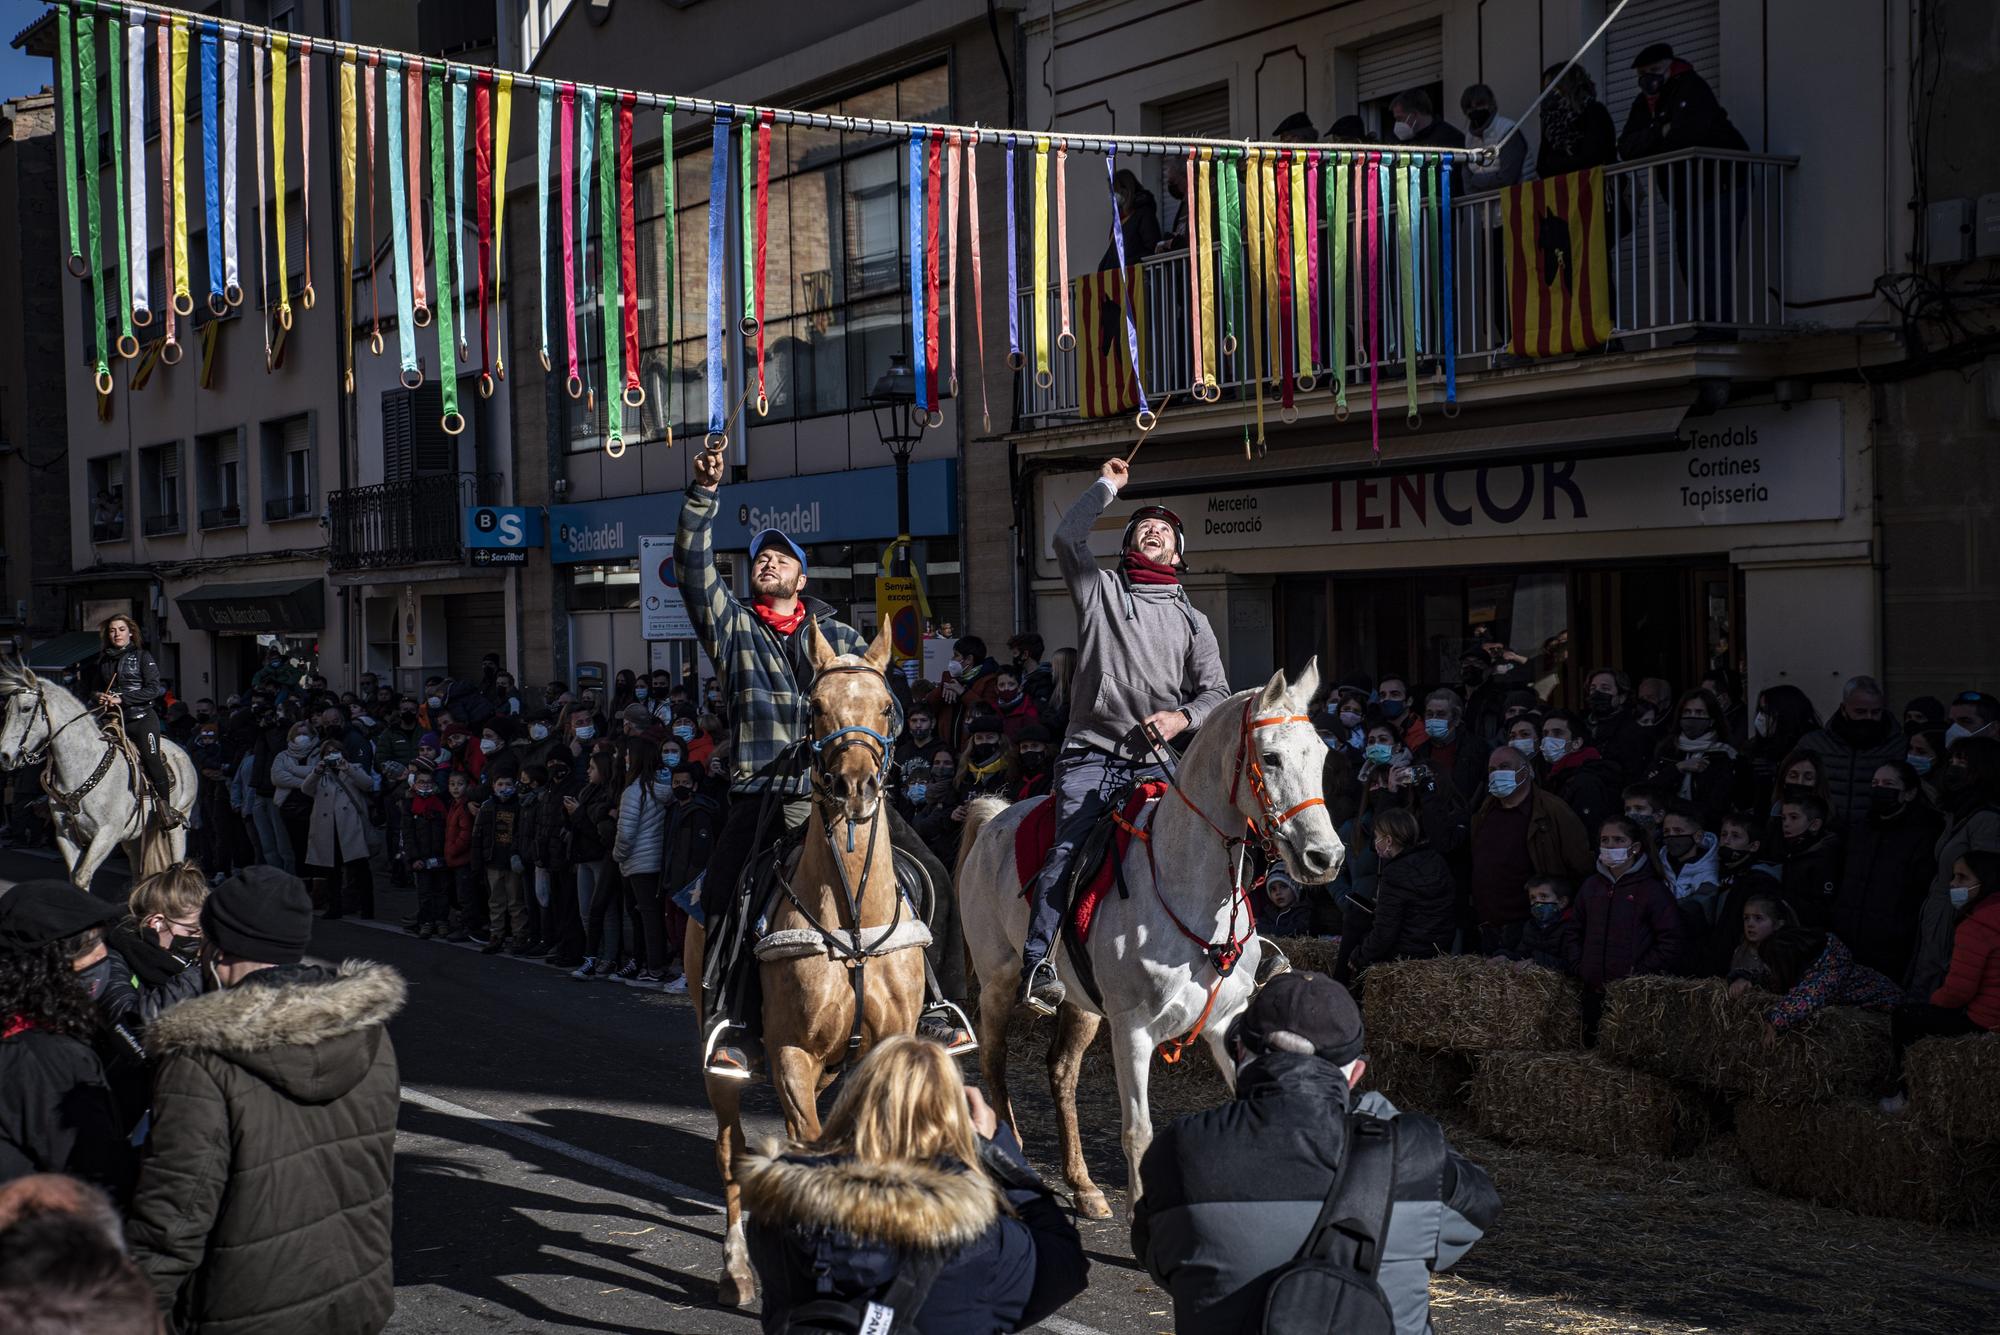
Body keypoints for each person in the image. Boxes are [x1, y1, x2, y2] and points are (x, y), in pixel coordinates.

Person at [676, 447, 961, 1075]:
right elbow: (694, 572)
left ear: (802, 578)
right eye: (759, 558)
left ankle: (944, 1007)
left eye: (781, 557)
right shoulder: (734, 630)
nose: (767, 562)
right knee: (725, 894)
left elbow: (876, 701)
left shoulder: (847, 641)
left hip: (851, 793)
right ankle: (731, 1023)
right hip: (768, 793)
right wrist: (702, 496)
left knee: (934, 874)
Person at [1132, 970, 1498, 1335]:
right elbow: (1478, 1208)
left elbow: (1157, 1258)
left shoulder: (1182, 1148)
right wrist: (1380, 1117)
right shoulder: (1413, 1154)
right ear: (1355, 1074)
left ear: (1240, 1050)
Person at [123, 868, 400, 1334]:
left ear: (218, 947)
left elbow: (175, 1216)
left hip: (243, 1306)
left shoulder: (201, 1058)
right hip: (356, 1290)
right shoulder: (368, 1030)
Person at [1021, 458, 1234, 1014]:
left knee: (1219, 833)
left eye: (1166, 527)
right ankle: (1039, 960)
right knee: (1069, 846)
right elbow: (1067, 536)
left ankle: (1244, 945)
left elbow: (1216, 694)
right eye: (1144, 525)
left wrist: (1181, 719)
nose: (1155, 528)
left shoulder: (1194, 621)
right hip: (1093, 754)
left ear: (1178, 553)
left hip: (1159, 758)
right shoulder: (1100, 591)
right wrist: (1106, 488)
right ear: (1130, 545)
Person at [742, 1035, 1087, 1334]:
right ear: (953, 1123)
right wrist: (1000, 1153)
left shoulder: (777, 1213)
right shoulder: (982, 1239)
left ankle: (734, 1030)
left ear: (854, 1102)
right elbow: (1067, 1266)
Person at [0, 883, 135, 1200]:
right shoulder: (51, 1060)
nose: (103, 955)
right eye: (87, 946)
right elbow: (97, 1174)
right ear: (45, 966)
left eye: (102, 940)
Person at [1615, 41, 1748, 325]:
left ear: (1669, 66)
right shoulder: (1644, 103)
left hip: (1719, 183)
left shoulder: (1691, 87)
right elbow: (1626, 146)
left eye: (1653, 70)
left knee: (1713, 257)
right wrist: (1659, 131)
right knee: (1690, 261)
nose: (1647, 78)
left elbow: (1687, 134)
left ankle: (1719, 325)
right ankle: (1705, 322)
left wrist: (1657, 136)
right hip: (1685, 193)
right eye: (1642, 73)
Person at [1881, 850, 1999, 1113]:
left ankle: (1906, 1093)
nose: (1953, 884)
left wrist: (1933, 1002)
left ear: (1986, 881)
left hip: (1983, 1021)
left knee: (1907, 1016)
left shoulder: (1977, 925)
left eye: (1962, 878)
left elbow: (1959, 991)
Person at [1468, 745, 1593, 955]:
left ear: (1525, 771)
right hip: (1488, 923)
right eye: (1492, 769)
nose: (1497, 773)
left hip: (1531, 926)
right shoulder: (1485, 810)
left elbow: (1580, 864)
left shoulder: (1553, 811)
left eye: (1504, 766)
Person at [1829, 762, 1945, 980]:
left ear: (1909, 793)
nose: (1879, 788)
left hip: (1891, 943)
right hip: (1847, 934)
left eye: (1888, 784)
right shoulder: (1861, 828)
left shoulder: (1924, 834)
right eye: (1875, 783)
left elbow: (1918, 888)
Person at [1907, 736, 2000, 1001]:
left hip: (1957, 918)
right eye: (1952, 761)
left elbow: (1986, 878)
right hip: (1938, 912)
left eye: (1963, 762)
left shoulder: (1987, 821)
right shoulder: (1956, 814)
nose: (1954, 767)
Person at [1727, 903, 1901, 1035]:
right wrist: (1746, 977)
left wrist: (1773, 1022)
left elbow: (1806, 999)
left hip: (1889, 1010)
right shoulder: (1812, 962)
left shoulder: (1829, 972)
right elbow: (1771, 977)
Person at [1573, 815, 1684, 993]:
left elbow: (1671, 939)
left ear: (1635, 847)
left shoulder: (1652, 890)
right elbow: (1574, 930)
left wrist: (1639, 972)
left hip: (1632, 993)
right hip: (1590, 986)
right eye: (1604, 840)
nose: (1610, 845)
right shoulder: (1590, 887)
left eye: (1618, 840)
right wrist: (1581, 967)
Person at [93, 615, 181, 827]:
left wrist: (122, 698)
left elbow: (153, 689)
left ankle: (165, 809)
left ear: (130, 632)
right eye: (113, 630)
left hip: (141, 718)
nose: (117, 634)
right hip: (112, 718)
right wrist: (99, 696)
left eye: (121, 629)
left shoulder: (143, 656)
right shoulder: (103, 660)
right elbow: (92, 687)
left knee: (151, 758)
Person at [1347, 808, 1456, 976]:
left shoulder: (1394, 873)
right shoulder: (1436, 859)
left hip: (1407, 954)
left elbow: (1384, 933)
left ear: (1388, 841)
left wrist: (1358, 957)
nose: (1375, 843)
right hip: (1440, 949)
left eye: (1377, 837)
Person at [1798, 676, 1909, 830]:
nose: (1869, 718)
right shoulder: (1814, 744)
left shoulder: (1898, 745)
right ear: (1844, 709)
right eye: (1860, 712)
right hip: (1824, 833)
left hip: (1875, 834)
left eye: (1876, 712)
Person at [290, 730, 377, 921]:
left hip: (349, 826)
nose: (332, 755)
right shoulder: (320, 773)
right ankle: (334, 906)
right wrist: (317, 771)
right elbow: (306, 789)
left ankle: (367, 907)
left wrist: (347, 768)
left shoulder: (353, 767)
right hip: (328, 827)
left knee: (360, 868)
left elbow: (368, 784)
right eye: (328, 753)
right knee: (331, 870)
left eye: (335, 752)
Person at [612, 738, 675, 989]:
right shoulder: (662, 790)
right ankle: (653, 964)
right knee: (654, 916)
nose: (625, 759)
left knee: (645, 917)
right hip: (657, 860)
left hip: (637, 861)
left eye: (628, 755)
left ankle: (653, 967)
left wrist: (617, 855)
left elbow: (626, 833)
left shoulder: (634, 791)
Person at [1644, 688, 1739, 825]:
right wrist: (1678, 768)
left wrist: (1671, 803)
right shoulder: (1667, 749)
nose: (1692, 717)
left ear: (1711, 719)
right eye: (1687, 712)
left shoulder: (1724, 755)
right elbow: (1647, 790)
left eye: (1699, 713)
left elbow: (1715, 807)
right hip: (1665, 827)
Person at [1540, 708, 1620, 838]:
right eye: (1545, 734)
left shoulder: (1586, 781)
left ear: (1576, 743)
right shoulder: (1557, 777)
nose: (1548, 740)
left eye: (1557, 733)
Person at [1535, 62, 1617, 179]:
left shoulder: (1594, 111)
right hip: (1568, 191)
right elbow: (1542, 167)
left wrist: (1558, 163)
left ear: (1566, 86)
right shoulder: (1552, 122)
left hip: (1598, 187)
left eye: (1551, 88)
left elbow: (1591, 157)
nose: (1547, 94)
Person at [1777, 795, 1842, 928]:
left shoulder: (1825, 857)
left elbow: (1822, 909)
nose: (1786, 823)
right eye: (1783, 818)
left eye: (1794, 817)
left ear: (1815, 825)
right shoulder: (1791, 850)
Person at [1582, 667, 1650, 786]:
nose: (1597, 693)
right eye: (1593, 689)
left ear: (1622, 697)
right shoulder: (1581, 725)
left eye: (1605, 688)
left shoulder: (1632, 731)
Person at [1414, 690, 1486, 801]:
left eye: (1441, 714)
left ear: (1456, 719)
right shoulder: (1420, 753)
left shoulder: (1477, 749)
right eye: (1429, 714)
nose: (1434, 719)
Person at [1499, 874, 1579, 972]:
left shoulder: (1571, 927)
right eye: (1532, 898)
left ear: (1562, 902)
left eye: (1543, 896)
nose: (1537, 902)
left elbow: (1571, 965)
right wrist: (1505, 957)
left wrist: (1537, 961)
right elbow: (1522, 955)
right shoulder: (1531, 926)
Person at [1459, 83, 1527, 190]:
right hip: (1484, 205)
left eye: (1480, 104)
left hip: (1518, 200)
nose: (1475, 110)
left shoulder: (1507, 130)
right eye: (1469, 107)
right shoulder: (1468, 139)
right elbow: (1467, 182)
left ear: (1491, 104)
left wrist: (1477, 180)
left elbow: (1507, 178)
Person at [1656, 801, 1723, 906]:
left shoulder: (1710, 876)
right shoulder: (1657, 866)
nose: (1671, 836)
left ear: (1698, 836)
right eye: (1666, 831)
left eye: (1678, 831)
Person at [1098, 168, 1162, 273]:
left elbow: (1151, 248)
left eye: (1113, 191)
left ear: (1125, 189)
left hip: (1137, 278)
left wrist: (1128, 263)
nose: (1111, 196)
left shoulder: (1144, 214)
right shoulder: (1120, 218)